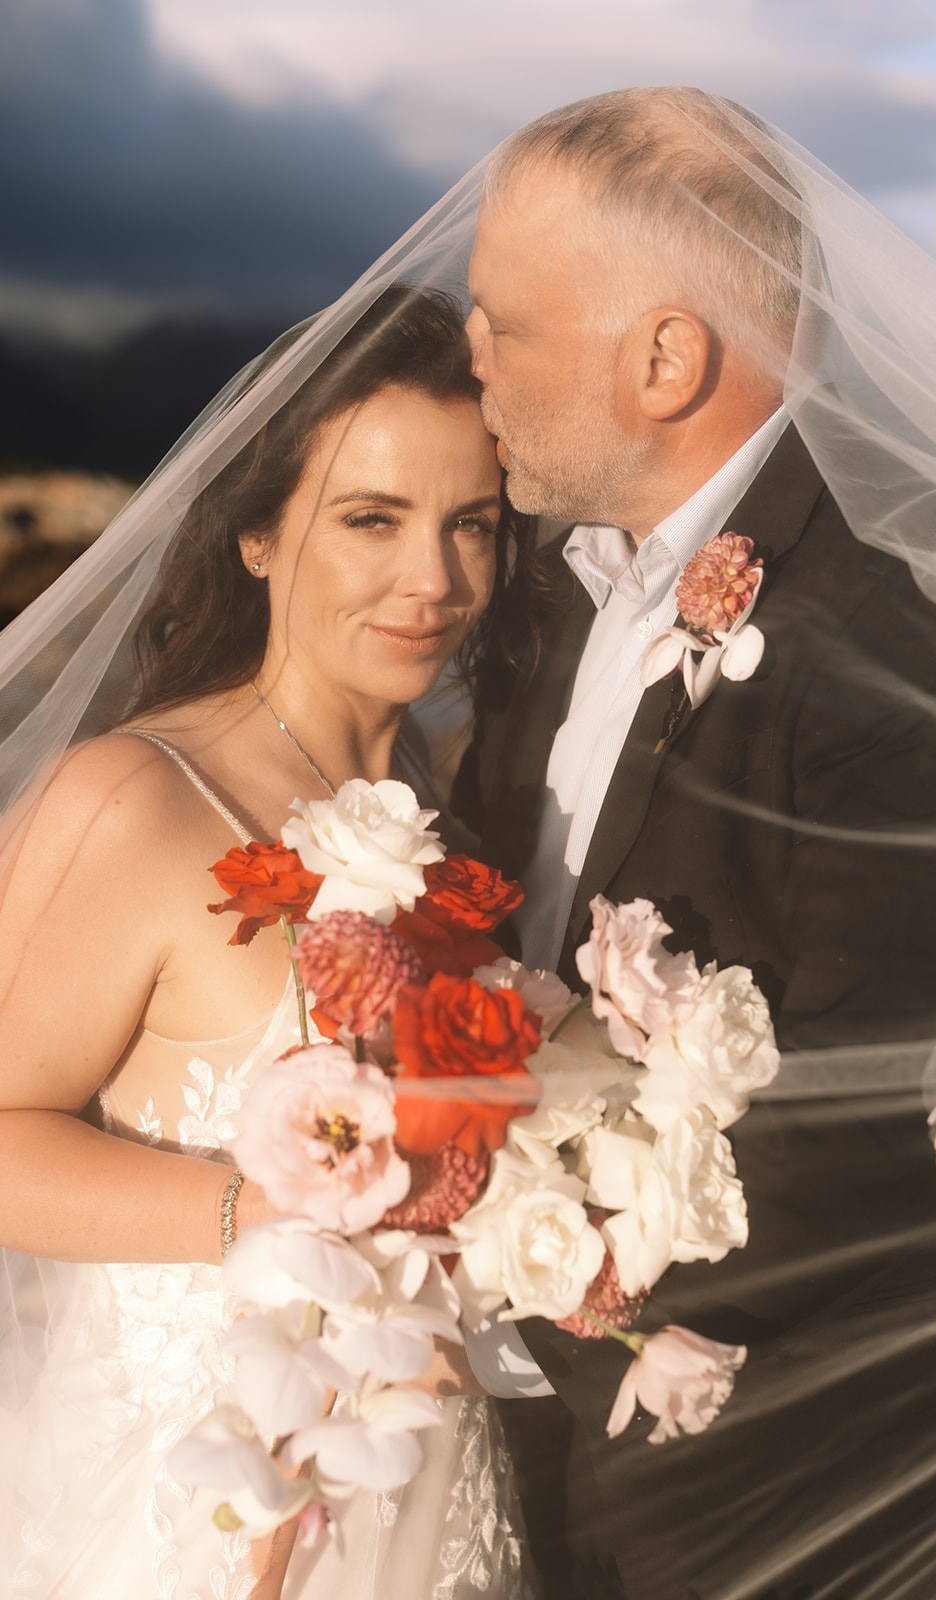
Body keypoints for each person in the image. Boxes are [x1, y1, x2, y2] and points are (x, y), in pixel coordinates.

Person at [455, 89, 936, 1599]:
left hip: (785, 1492)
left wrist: (528, 1273)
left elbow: (880, 1101)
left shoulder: (891, 615)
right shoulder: (541, 594)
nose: (470, 367)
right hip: (523, 1445)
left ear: (665, 358)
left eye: (499, 328)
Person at [0, 284, 536, 1599]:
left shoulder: (462, 842)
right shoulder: (130, 802)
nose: (435, 580)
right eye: (372, 520)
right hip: (182, 1509)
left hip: (427, 1499)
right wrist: (270, 1211)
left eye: (473, 526)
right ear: (256, 533)